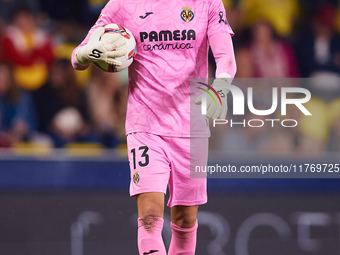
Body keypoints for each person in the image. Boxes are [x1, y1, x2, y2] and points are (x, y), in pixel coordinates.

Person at [71, 0, 236, 254]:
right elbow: (77, 57)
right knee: (149, 216)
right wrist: (85, 53)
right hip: (145, 123)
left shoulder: (207, 2)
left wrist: (221, 87)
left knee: (185, 220)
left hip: (191, 126)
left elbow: (226, 58)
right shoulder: (122, 4)